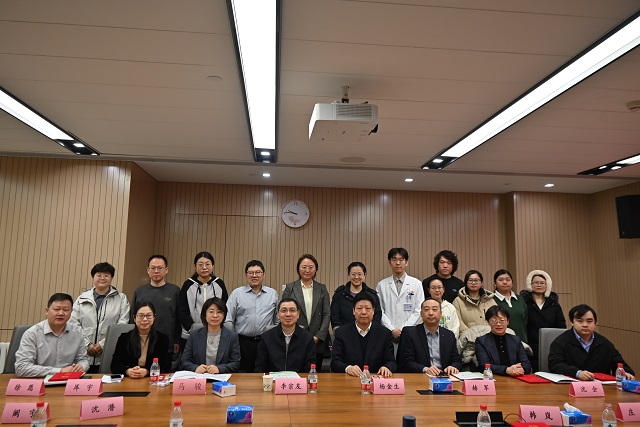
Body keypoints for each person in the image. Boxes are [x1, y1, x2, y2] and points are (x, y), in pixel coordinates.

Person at [548, 304, 635, 380]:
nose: (585, 325)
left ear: (595, 323)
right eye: (580, 321)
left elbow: (619, 364)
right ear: (572, 322)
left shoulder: (604, 343)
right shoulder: (560, 342)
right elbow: (555, 365)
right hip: (570, 386)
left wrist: (626, 373)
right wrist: (577, 373)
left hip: (600, 388)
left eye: (589, 321)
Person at [71, 262, 130, 372]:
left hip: (109, 351)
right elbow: (73, 323)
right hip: (83, 353)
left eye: (106, 275)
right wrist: (87, 345)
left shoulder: (121, 298)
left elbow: (122, 324)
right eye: (99, 275)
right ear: (93, 277)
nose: (102, 278)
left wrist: (102, 345)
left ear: (111, 278)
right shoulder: (82, 298)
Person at [15, 293, 90, 377]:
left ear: (71, 312)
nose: (61, 313)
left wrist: (81, 367)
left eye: (66, 310)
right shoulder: (32, 334)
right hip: (39, 381)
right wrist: (59, 371)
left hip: (68, 379)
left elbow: (83, 360)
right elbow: (21, 368)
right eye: (56, 309)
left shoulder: (77, 332)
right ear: (47, 311)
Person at [225, 260, 279, 372]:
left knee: (265, 372)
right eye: (250, 272)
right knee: (243, 373)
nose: (254, 275)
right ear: (246, 275)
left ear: (263, 275)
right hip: (242, 342)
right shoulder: (237, 293)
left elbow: (278, 320)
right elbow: (228, 319)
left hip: (266, 342)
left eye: (258, 272)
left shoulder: (272, 294)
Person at [331, 292, 397, 377]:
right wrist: (348, 368)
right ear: (353, 311)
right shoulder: (342, 333)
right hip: (350, 379)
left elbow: (391, 362)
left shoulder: (384, 333)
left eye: (368, 308)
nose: (364, 312)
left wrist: (387, 367)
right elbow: (335, 362)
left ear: (373, 311)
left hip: (375, 380)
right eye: (359, 308)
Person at [282, 254, 331, 369]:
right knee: (296, 372)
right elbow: (284, 312)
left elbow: (327, 314)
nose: (307, 270)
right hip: (295, 338)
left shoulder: (322, 288)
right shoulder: (290, 288)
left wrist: (318, 336)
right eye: (304, 267)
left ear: (316, 269)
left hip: (317, 341)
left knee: (315, 373)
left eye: (311, 267)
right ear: (298, 269)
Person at [131, 255, 181, 358]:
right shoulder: (139, 291)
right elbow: (132, 318)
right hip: (142, 344)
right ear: (148, 270)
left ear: (166, 270)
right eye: (153, 268)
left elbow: (178, 317)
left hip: (167, 344)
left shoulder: (175, 291)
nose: (156, 271)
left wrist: (177, 340)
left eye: (160, 268)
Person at [397, 298, 462, 375]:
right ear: (421, 314)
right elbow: (405, 361)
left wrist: (453, 366)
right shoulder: (410, 333)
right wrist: (425, 369)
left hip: (444, 376)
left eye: (434, 309)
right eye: (426, 310)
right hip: (420, 376)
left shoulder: (449, 335)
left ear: (441, 313)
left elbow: (456, 360)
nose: (431, 313)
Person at [178, 251, 228, 350]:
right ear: (195, 267)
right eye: (200, 264)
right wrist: (192, 328)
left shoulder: (219, 284)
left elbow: (225, 308)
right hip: (190, 333)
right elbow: (182, 310)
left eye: (207, 264)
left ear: (212, 266)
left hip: (215, 333)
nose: (204, 267)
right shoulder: (188, 284)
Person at [376, 248, 424, 346]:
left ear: (406, 262)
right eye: (394, 259)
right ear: (389, 262)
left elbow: (419, 309)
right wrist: (391, 329)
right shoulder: (382, 285)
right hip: (388, 333)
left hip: (411, 332)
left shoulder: (416, 284)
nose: (398, 263)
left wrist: (405, 329)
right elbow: (379, 310)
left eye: (401, 260)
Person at [519, 269, 566, 371]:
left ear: (547, 285)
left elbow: (561, 326)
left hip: (550, 344)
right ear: (530, 284)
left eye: (542, 283)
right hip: (529, 345)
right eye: (536, 282)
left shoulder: (554, 304)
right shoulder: (523, 302)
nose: (539, 285)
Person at [181, 297, 240, 374]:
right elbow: (184, 361)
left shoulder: (232, 336)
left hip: (221, 377)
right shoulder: (194, 335)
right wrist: (195, 368)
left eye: (219, 312)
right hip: (200, 377)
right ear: (204, 314)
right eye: (211, 312)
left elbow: (236, 363)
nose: (215, 315)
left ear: (224, 315)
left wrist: (219, 368)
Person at [255, 299, 316, 373]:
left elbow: (310, 368)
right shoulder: (266, 337)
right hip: (272, 379)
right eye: (284, 310)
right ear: (277, 314)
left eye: (292, 310)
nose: (288, 314)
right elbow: (260, 367)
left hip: (298, 379)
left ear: (298, 314)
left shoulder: (307, 338)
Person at [111, 302, 171, 377]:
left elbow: (165, 365)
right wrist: (128, 371)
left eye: (148, 315)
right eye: (141, 316)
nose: (145, 319)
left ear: (154, 317)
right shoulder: (124, 338)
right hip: (129, 379)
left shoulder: (162, 339)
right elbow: (115, 365)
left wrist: (146, 371)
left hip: (151, 379)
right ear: (134, 318)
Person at [475, 306, 532, 376]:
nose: (498, 324)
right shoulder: (481, 341)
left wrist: (521, 369)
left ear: (507, 321)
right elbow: (483, 365)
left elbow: (526, 364)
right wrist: (507, 370)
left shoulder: (515, 340)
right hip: (493, 378)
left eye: (502, 320)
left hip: (516, 377)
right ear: (488, 322)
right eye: (494, 321)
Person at [331, 261, 382, 331]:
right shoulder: (339, 294)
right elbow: (335, 316)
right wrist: (340, 333)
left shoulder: (372, 295)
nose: (356, 277)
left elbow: (377, 315)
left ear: (364, 275)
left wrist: (370, 332)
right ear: (349, 275)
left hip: (368, 333)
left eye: (359, 274)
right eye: (353, 274)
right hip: (344, 334)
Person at [492, 269, 528, 343]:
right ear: (495, 283)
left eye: (508, 280)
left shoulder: (520, 299)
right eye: (501, 280)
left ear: (512, 283)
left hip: (521, 341)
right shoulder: (491, 300)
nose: (505, 282)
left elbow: (526, 320)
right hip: (500, 342)